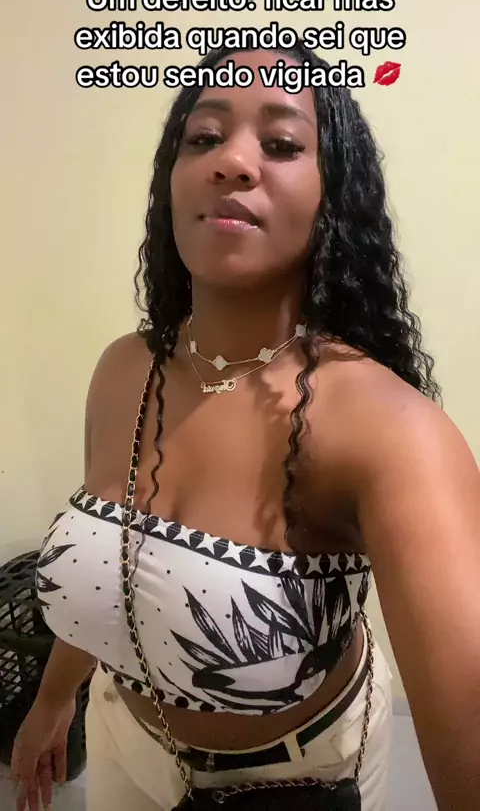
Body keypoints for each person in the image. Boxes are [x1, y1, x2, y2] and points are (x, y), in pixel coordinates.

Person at [11, 42, 480, 811]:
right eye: (203, 137)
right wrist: (55, 700)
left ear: (335, 192)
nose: (231, 161)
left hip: (291, 779)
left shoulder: (388, 429)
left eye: (282, 143)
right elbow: (107, 566)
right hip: (123, 738)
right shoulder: (124, 368)